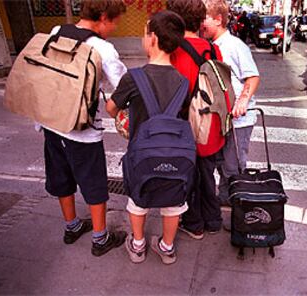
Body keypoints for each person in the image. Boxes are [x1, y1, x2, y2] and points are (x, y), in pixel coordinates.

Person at [40, 0, 128, 257]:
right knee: (93, 181)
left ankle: (72, 226)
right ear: (102, 17)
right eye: (114, 22)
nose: (114, 28)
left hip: (51, 121)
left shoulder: (57, 31)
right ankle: (100, 239)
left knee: (60, 175)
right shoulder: (103, 48)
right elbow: (123, 86)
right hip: (82, 129)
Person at [106, 10, 187, 265]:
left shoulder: (134, 77)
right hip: (175, 152)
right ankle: (167, 247)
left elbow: (111, 107)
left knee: (138, 198)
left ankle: (138, 245)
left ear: (152, 39)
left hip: (142, 151)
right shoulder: (183, 81)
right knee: (173, 202)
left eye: (145, 33)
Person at [168, 0, 225, 239]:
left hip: (185, 125)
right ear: (200, 21)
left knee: (188, 175)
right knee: (207, 173)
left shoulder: (172, 49)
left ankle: (194, 223)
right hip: (210, 124)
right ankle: (213, 220)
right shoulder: (213, 49)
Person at [202, 0, 260, 207]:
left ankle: (236, 207)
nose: (201, 24)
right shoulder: (211, 45)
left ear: (218, 20)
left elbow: (252, 77)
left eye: (204, 19)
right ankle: (224, 201)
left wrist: (242, 100)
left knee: (233, 165)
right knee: (220, 163)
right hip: (220, 118)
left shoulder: (235, 46)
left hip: (239, 120)